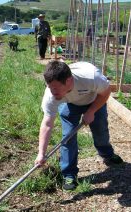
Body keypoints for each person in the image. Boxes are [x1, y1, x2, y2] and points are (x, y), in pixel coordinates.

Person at [35, 60, 123, 191]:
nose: (52, 92)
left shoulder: (92, 77)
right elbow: (47, 124)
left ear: (69, 81)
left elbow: (106, 92)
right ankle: (69, 174)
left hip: (94, 100)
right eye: (49, 87)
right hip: (70, 104)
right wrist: (41, 153)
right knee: (68, 137)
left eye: (56, 88)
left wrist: (91, 111)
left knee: (100, 130)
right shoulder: (51, 95)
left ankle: (107, 154)